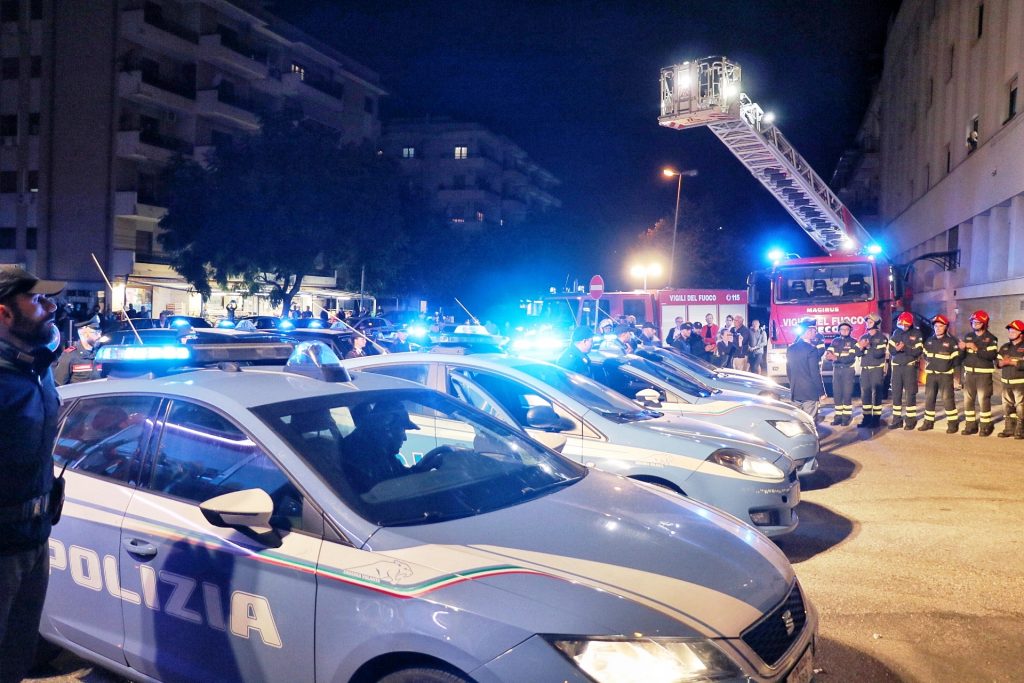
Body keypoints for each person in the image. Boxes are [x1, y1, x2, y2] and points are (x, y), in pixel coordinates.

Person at [0, 266, 65, 682]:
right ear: (4, 313)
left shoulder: (35, 370)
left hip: (33, 540)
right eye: (38, 300)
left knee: (15, 661)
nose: (51, 307)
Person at [340, 400, 422, 494]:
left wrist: (421, 467)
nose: (405, 438)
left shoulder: (384, 454)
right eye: (402, 430)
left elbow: (401, 476)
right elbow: (383, 493)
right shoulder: (360, 455)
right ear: (387, 428)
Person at [918, 314, 961, 433]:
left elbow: (956, 361)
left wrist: (956, 378)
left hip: (945, 376)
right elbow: (925, 355)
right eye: (936, 326)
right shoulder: (929, 341)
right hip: (931, 375)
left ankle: (952, 423)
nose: (937, 328)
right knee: (929, 399)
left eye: (940, 326)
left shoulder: (951, 342)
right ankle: (928, 422)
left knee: (948, 399)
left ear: (946, 327)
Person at [959, 310, 999, 436]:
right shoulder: (968, 336)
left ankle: (985, 426)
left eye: (978, 322)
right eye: (973, 322)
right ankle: (970, 425)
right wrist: (961, 349)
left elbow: (992, 355)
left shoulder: (991, 338)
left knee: (983, 399)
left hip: (983, 375)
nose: (975, 324)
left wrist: (976, 349)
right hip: (969, 374)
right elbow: (961, 357)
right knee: (968, 400)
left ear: (984, 323)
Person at [888, 311, 925, 430]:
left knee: (910, 394)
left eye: (906, 325)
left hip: (909, 367)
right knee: (896, 394)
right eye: (902, 324)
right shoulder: (896, 332)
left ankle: (910, 420)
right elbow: (891, 350)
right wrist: (896, 349)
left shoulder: (917, 333)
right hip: (896, 367)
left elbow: (918, 351)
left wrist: (905, 348)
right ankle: (896, 419)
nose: (903, 327)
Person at [787, 320, 825, 421]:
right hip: (809, 392)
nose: (815, 333)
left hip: (795, 391)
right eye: (814, 331)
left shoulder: (790, 349)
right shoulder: (811, 349)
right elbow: (814, 373)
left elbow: (789, 370)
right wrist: (821, 392)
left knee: (797, 421)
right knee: (809, 421)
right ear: (808, 332)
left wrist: (793, 385)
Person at [856, 313, 889, 428]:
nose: (868, 324)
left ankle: (875, 420)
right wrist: (861, 347)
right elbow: (857, 353)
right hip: (865, 370)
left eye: (870, 322)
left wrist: (869, 346)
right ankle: (866, 418)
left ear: (876, 323)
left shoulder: (882, 338)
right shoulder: (863, 337)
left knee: (876, 394)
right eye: (867, 322)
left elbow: (879, 354)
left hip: (876, 369)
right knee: (865, 394)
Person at [54, 315, 102, 385]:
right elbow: (59, 384)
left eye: (100, 332)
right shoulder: (70, 356)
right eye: (95, 333)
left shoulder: (100, 354)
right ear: (84, 334)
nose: (99, 336)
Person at [826, 321, 858, 426]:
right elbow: (829, 353)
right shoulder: (835, 341)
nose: (844, 331)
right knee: (837, 394)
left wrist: (836, 358)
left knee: (847, 394)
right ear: (839, 330)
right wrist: (828, 356)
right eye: (842, 329)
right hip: (836, 370)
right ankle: (838, 417)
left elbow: (850, 358)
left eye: (847, 329)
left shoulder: (854, 342)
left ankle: (846, 417)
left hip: (847, 370)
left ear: (850, 330)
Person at [996, 320, 1024, 439]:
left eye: (1014, 331)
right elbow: (997, 363)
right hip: (1006, 383)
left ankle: (1021, 430)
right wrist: (1001, 363)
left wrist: (1012, 362)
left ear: (1021, 333)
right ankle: (1009, 429)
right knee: (1007, 406)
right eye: (1010, 331)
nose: (1011, 333)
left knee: (1021, 407)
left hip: (1020, 383)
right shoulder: (1004, 347)